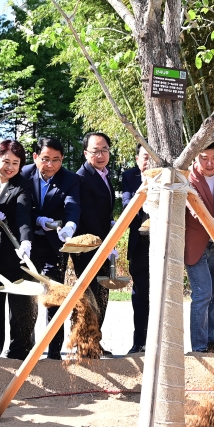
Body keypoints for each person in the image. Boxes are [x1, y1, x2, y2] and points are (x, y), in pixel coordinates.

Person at [21, 137, 80, 360]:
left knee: (54, 295)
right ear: (36, 157)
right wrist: (37, 220)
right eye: (45, 159)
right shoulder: (24, 174)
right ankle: (25, 348)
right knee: (27, 297)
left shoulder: (70, 179)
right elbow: (21, 207)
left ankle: (54, 351)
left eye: (56, 160)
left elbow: (72, 206)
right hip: (26, 243)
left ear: (62, 159)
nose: (50, 165)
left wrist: (70, 226)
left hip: (55, 244)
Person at [0, 140, 36, 360]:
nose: (9, 167)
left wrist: (25, 241)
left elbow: (23, 217)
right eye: (5, 161)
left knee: (20, 304)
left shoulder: (22, 185)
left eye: (15, 162)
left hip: (17, 252)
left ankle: (20, 352)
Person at [184, 139, 214, 353]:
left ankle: (211, 339)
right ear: (196, 157)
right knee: (202, 291)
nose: (210, 163)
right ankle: (199, 347)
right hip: (195, 241)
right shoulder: (186, 176)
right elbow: (194, 210)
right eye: (204, 158)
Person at [74, 132, 116, 357]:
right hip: (88, 247)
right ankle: (84, 345)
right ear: (85, 153)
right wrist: (107, 241)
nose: (100, 155)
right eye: (95, 151)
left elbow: (103, 212)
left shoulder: (104, 175)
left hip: (103, 243)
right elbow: (88, 216)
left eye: (104, 150)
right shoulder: (82, 178)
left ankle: (94, 342)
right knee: (89, 296)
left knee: (102, 293)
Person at [121, 143, 150, 354]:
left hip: (164, 244)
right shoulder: (129, 176)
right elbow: (126, 207)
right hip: (139, 243)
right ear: (137, 158)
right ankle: (139, 342)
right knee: (140, 294)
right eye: (145, 157)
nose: (149, 162)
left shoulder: (168, 176)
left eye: (152, 158)